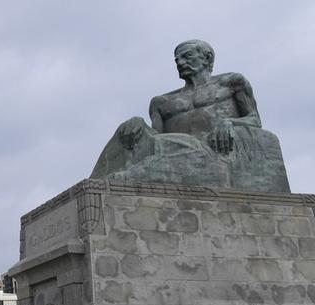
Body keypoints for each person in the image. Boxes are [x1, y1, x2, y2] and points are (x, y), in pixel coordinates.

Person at [90, 40, 289, 193]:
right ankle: (95, 185)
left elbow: (255, 120)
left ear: (207, 58)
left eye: (186, 56)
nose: (180, 62)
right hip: (173, 148)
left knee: (179, 151)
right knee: (130, 127)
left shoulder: (231, 82)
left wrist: (230, 122)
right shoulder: (161, 102)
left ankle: (118, 180)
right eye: (177, 60)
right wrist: (138, 123)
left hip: (210, 151)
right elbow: (154, 139)